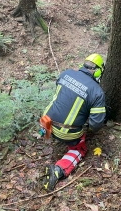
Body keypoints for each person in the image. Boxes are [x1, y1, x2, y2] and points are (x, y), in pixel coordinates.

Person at [39, 53, 107, 190]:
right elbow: (95, 125)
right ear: (98, 71)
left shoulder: (66, 73)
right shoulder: (97, 92)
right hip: (66, 132)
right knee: (80, 149)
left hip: (46, 122)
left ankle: (44, 134)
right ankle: (59, 170)